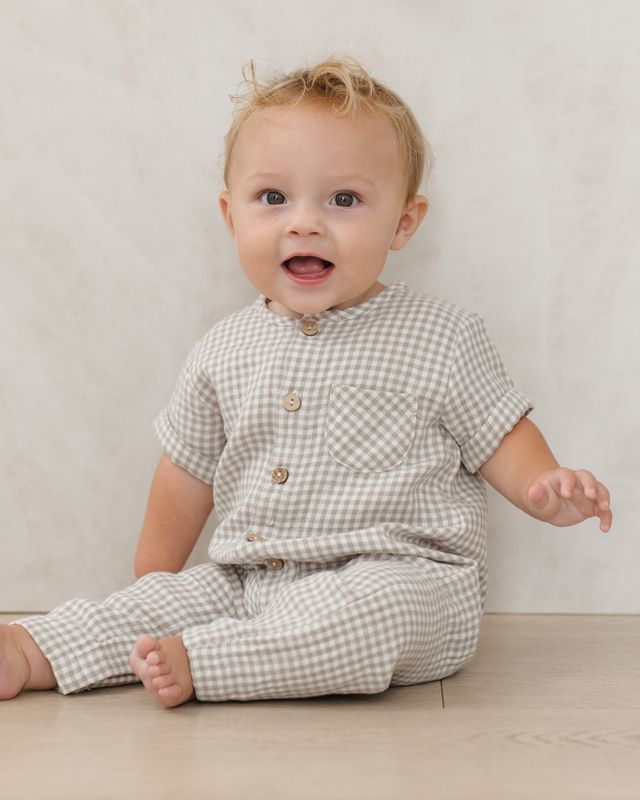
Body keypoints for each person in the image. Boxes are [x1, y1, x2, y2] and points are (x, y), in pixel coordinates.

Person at [0, 56, 612, 709]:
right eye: (273, 198)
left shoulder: (441, 335)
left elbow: (500, 434)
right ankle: (30, 651)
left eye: (343, 200)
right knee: (178, 600)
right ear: (232, 217)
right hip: (254, 579)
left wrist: (544, 487)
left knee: (370, 614)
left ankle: (209, 661)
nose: (304, 222)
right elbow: (185, 474)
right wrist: (154, 589)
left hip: (409, 582)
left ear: (403, 222)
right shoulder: (223, 349)